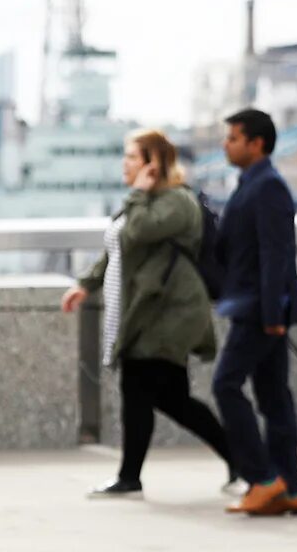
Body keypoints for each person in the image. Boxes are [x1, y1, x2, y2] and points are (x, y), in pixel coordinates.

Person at [61, 129, 234, 496]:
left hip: (168, 314)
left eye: (132, 158)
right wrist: (85, 284)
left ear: (153, 163)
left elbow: (137, 232)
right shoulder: (144, 200)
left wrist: (139, 191)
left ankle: (241, 460)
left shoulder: (175, 202)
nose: (124, 165)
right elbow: (117, 250)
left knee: (155, 395)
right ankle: (134, 476)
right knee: (158, 397)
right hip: (146, 313)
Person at [213, 109, 297, 517]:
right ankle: (292, 489)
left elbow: (276, 255)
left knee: (226, 385)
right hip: (260, 306)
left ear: (256, 143)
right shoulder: (251, 184)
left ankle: (263, 478)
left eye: (233, 138)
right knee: (273, 399)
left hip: (259, 309)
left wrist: (272, 313)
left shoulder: (267, 187)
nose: (225, 144)